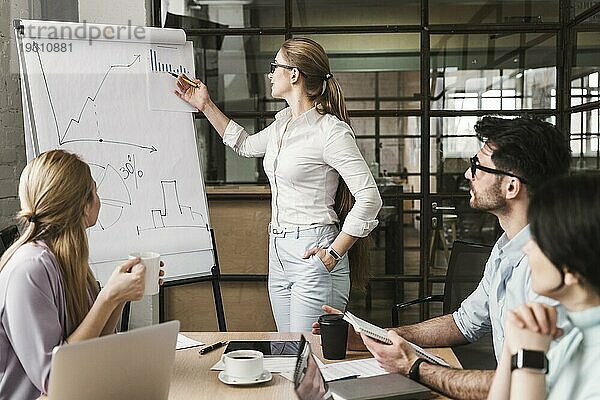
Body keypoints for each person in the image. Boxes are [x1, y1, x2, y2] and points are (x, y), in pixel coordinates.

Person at [313, 116, 572, 398]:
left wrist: (416, 367)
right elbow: (463, 323)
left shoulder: (550, 270)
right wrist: (376, 338)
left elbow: (530, 384)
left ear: (511, 187)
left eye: (478, 167)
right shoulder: (505, 248)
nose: (467, 175)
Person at [175, 37, 382, 332]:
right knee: (290, 349)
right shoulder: (282, 125)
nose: (270, 74)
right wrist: (204, 105)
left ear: (294, 74)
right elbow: (244, 144)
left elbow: (370, 198)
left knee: (310, 355)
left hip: (313, 248)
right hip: (278, 249)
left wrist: (334, 252)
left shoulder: (330, 131)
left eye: (275, 67)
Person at [0, 150, 163, 400]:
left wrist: (119, 296)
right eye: (95, 192)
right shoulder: (29, 269)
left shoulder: (68, 261)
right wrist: (107, 297)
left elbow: (96, 346)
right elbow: (54, 381)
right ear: (82, 205)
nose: (99, 201)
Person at [487, 174, 600, 400]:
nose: (527, 249)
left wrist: (528, 359)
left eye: (538, 238)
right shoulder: (574, 336)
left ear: (569, 268)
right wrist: (513, 342)